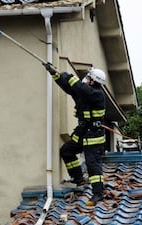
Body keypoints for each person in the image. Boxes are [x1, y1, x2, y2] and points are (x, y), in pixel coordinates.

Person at [44, 63, 106, 206]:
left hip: (94, 136)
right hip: (83, 132)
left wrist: (69, 76)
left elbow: (79, 87)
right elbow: (69, 87)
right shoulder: (84, 92)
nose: (86, 78)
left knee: (92, 164)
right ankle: (78, 178)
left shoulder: (96, 94)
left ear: (93, 81)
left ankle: (98, 194)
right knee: (66, 151)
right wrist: (55, 74)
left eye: (89, 77)